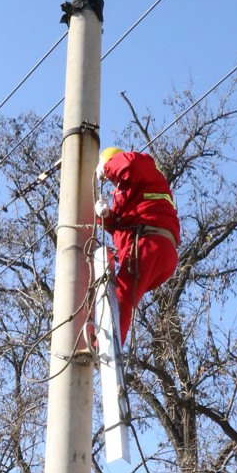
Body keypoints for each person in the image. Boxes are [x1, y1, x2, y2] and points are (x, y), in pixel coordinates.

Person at [96, 147, 180, 343]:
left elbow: (131, 164)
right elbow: (121, 230)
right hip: (158, 251)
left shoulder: (144, 168)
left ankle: (103, 345)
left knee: (120, 299)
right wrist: (106, 217)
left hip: (150, 244)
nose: (112, 181)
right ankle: (106, 343)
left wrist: (108, 167)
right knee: (123, 295)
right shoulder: (126, 196)